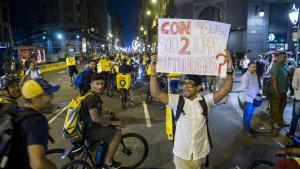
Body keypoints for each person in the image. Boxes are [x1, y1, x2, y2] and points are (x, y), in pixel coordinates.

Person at [150, 51, 233, 169]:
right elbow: (155, 93)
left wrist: (229, 70)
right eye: (184, 83)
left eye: (190, 84)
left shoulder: (205, 101)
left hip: (201, 154)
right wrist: (153, 71)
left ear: (198, 87)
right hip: (182, 156)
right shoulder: (176, 101)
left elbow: (225, 89)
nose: (185, 87)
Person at [8, 78, 59, 169]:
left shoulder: (20, 112)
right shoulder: (36, 121)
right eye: (47, 94)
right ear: (35, 99)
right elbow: (38, 164)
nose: (52, 97)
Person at [80, 73, 122, 169]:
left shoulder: (93, 95)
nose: (100, 86)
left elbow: (95, 111)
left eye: (102, 83)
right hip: (90, 131)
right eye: (97, 84)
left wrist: (107, 111)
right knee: (116, 133)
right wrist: (113, 122)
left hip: (88, 128)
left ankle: (98, 162)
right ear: (91, 84)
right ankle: (108, 162)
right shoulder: (92, 98)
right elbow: (96, 118)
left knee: (94, 158)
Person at [270, 51, 290, 130]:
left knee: (282, 106)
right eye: (283, 57)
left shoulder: (284, 65)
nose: (284, 58)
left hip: (284, 91)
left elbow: (287, 74)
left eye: (285, 57)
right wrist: (276, 91)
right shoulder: (275, 66)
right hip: (277, 91)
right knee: (276, 107)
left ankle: (280, 120)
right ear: (277, 57)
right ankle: (274, 123)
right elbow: (273, 80)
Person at [240, 62, 260, 137]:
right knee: (247, 115)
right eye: (253, 67)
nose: (254, 68)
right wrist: (254, 96)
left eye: (255, 67)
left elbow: (257, 85)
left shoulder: (255, 75)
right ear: (248, 67)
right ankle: (246, 130)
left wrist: (258, 94)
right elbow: (245, 89)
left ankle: (248, 128)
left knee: (250, 115)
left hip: (255, 99)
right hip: (248, 99)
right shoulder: (245, 76)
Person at [286, 67, 300, 138]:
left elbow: (294, 85)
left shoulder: (298, 70)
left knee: (295, 116)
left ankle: (291, 133)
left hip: (298, 98)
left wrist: (297, 88)